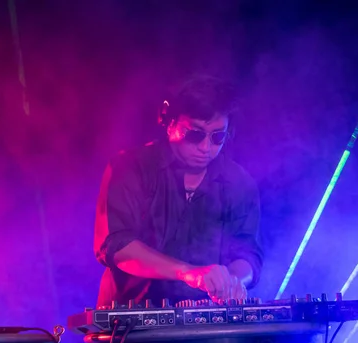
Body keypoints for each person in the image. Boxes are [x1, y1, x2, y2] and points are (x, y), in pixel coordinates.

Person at [93, 76, 263, 307]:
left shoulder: (239, 182)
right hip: (130, 322)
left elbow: (248, 253)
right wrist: (188, 273)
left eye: (217, 137)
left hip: (207, 323)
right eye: (194, 134)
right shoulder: (130, 168)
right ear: (169, 122)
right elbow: (118, 245)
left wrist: (233, 280)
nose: (205, 148)